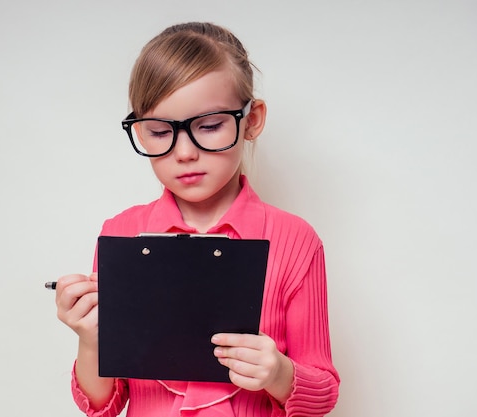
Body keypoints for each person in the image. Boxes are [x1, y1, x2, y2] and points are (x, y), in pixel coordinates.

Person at [54, 21, 340, 417]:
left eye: (208, 126)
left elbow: (323, 393)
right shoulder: (121, 233)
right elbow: (103, 403)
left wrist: (277, 372)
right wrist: (90, 339)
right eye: (157, 131)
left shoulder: (294, 239)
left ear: (251, 120)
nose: (184, 152)